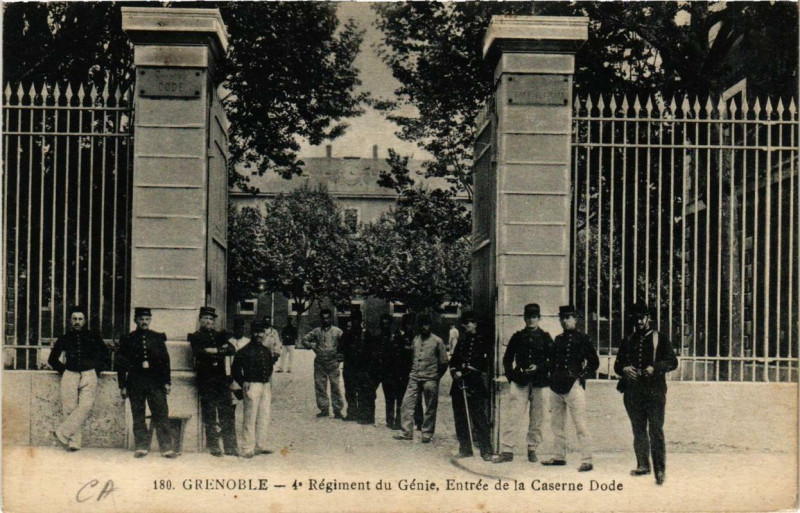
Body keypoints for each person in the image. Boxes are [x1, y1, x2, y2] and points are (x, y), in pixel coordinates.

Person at [614, 302, 678, 486]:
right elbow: (618, 365)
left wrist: (655, 368)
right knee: (638, 428)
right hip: (633, 391)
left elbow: (673, 362)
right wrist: (625, 368)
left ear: (649, 318)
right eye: (635, 318)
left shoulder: (660, 338)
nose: (639, 321)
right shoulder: (628, 340)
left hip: (655, 391)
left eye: (642, 317)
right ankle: (643, 464)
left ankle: (659, 470)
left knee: (656, 429)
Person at [542, 305, 599, 471]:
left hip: (574, 386)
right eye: (562, 318)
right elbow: (551, 362)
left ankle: (587, 460)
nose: (564, 321)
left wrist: (580, 377)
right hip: (556, 386)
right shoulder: (558, 339)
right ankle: (559, 457)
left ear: (575, 318)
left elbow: (594, 362)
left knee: (580, 424)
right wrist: (550, 376)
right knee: (556, 425)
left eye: (568, 318)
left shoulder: (583, 338)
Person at [494, 303, 552, 463]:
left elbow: (553, 360)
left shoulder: (546, 337)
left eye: (534, 317)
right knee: (513, 415)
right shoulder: (517, 337)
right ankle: (507, 450)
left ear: (539, 318)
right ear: (524, 318)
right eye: (528, 317)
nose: (531, 320)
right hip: (520, 382)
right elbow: (507, 359)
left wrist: (539, 367)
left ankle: (532, 448)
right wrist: (512, 375)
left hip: (540, 383)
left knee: (537, 418)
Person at [117, 307, 177, 458]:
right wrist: (123, 385)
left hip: (155, 381)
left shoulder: (157, 337)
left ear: (150, 320)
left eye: (147, 319)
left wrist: (167, 382)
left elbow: (165, 361)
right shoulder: (128, 338)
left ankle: (166, 447)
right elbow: (121, 364)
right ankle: (141, 446)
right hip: (135, 381)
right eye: (141, 319)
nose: (144, 322)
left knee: (161, 413)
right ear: (135, 320)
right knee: (138, 414)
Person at [48, 305, 109, 451]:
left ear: (85, 321)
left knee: (85, 406)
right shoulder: (64, 338)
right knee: (69, 408)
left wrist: (96, 370)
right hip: (70, 374)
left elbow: (105, 355)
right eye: (74, 319)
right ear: (70, 321)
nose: (77, 322)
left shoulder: (93, 336)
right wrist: (65, 370)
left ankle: (62, 432)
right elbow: (52, 359)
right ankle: (74, 442)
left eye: (80, 319)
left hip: (89, 374)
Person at [188, 306, 239, 457]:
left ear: (214, 321)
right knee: (210, 414)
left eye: (211, 319)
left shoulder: (220, 335)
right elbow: (199, 352)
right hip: (206, 380)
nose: (208, 321)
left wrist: (215, 350)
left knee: (227, 413)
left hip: (222, 380)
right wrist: (217, 349)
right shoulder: (195, 336)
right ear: (200, 320)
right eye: (205, 318)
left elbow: (231, 350)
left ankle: (230, 446)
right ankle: (214, 446)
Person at [394, 314, 448, 443]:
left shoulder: (437, 341)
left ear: (430, 326)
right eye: (422, 325)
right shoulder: (416, 340)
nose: (425, 327)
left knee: (430, 406)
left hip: (430, 378)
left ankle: (427, 433)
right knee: (407, 403)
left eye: (427, 324)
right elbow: (413, 357)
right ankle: (406, 432)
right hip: (414, 377)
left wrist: (436, 377)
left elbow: (444, 362)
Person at [232, 321, 281, 458]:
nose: (259, 335)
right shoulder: (244, 351)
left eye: (261, 332)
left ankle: (261, 445)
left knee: (264, 416)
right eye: (256, 332)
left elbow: (270, 367)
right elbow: (235, 369)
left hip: (265, 386)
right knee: (250, 417)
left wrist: (267, 382)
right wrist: (244, 382)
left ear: (264, 334)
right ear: (252, 333)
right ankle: (247, 448)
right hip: (252, 386)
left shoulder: (266, 351)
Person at [449, 310, 492, 461]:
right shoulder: (461, 341)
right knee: (460, 418)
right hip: (459, 384)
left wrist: (468, 370)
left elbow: (484, 364)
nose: (466, 325)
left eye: (469, 323)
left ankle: (486, 450)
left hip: (474, 383)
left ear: (475, 324)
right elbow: (453, 362)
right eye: (464, 323)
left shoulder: (482, 341)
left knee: (479, 417)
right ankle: (465, 448)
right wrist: (455, 373)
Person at [302, 308, 345, 419]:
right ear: (321, 319)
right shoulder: (316, 331)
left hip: (333, 362)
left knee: (335, 386)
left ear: (331, 318)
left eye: (327, 318)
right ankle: (324, 409)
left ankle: (337, 410)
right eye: (323, 318)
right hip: (320, 363)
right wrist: (311, 345)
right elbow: (304, 340)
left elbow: (344, 344)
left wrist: (340, 356)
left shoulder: (337, 331)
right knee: (320, 386)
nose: (325, 320)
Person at [339, 316, 363, 421]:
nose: (356, 324)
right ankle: (352, 412)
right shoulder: (346, 334)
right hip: (349, 366)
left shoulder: (364, 334)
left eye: (357, 321)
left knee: (361, 390)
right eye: (354, 322)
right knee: (349, 390)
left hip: (361, 367)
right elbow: (339, 348)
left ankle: (360, 413)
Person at [227, 318, 251, 405]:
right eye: (237, 328)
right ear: (233, 329)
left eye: (241, 328)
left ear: (244, 329)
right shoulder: (229, 342)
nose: (239, 330)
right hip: (232, 373)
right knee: (233, 400)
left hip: (245, 374)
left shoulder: (248, 342)